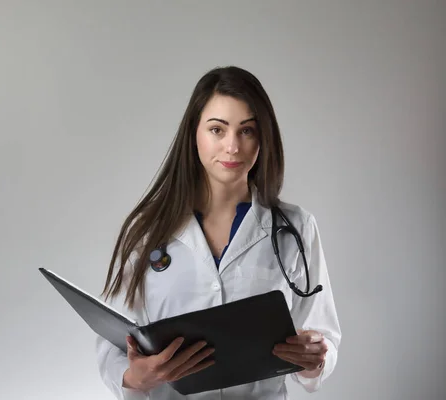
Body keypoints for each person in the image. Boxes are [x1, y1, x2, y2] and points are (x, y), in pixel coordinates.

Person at [95, 66, 341, 399]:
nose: (233, 147)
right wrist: (134, 377)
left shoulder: (296, 229)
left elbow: (322, 337)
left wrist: (314, 359)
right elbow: (113, 344)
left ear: (263, 137)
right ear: (194, 133)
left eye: (247, 131)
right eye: (217, 130)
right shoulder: (146, 232)